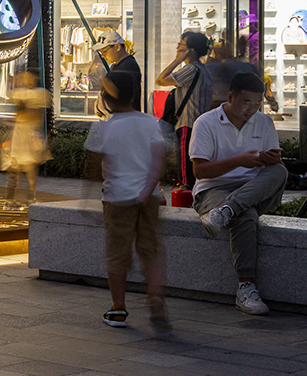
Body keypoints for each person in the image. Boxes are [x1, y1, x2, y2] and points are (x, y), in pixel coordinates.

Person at [188, 71, 287, 315]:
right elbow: (199, 170)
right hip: (214, 189)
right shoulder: (207, 122)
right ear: (231, 97)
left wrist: (270, 159)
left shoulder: (264, 122)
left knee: (280, 172)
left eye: (257, 103)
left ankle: (227, 210)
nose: (252, 108)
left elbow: (275, 167)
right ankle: (246, 286)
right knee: (246, 216)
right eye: (246, 102)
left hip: (252, 189)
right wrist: (239, 161)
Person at [83, 70, 167, 330]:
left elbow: (93, 168)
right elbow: (160, 161)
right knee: (150, 251)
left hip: (117, 199)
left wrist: (85, 200)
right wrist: (148, 189)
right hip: (148, 198)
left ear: (107, 96)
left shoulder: (103, 126)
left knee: (117, 255)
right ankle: (155, 298)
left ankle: (118, 308)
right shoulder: (151, 123)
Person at [155, 30, 213, 188]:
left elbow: (160, 80)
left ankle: (186, 194)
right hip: (200, 124)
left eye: (181, 47)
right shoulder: (204, 70)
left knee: (185, 166)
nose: (177, 50)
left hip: (188, 123)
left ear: (191, 50)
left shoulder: (191, 69)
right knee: (193, 161)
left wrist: (177, 61)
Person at [5, 71, 50, 205]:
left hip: (29, 134)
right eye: (24, 78)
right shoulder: (20, 93)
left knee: (29, 167)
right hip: (20, 134)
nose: (27, 81)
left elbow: (35, 114)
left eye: (29, 78)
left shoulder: (39, 94)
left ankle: (30, 196)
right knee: (16, 165)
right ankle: (11, 198)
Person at [90, 31, 142, 115]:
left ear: (117, 47)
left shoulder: (127, 67)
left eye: (104, 51)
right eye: (101, 52)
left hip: (123, 120)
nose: (102, 55)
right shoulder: (120, 65)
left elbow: (121, 97)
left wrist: (104, 80)